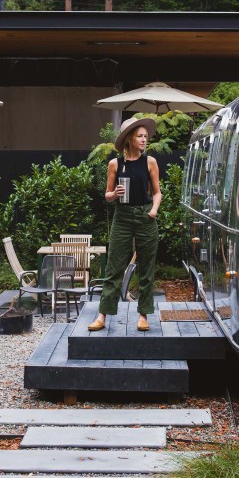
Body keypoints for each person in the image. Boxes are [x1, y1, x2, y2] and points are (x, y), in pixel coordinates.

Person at [88, 117, 162, 332]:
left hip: (145, 216)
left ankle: (143, 315)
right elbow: (107, 195)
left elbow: (157, 193)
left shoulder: (150, 162)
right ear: (129, 138)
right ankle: (102, 315)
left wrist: (153, 210)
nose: (144, 140)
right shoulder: (114, 164)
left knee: (146, 269)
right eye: (139, 136)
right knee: (114, 267)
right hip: (122, 217)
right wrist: (114, 194)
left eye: (145, 137)